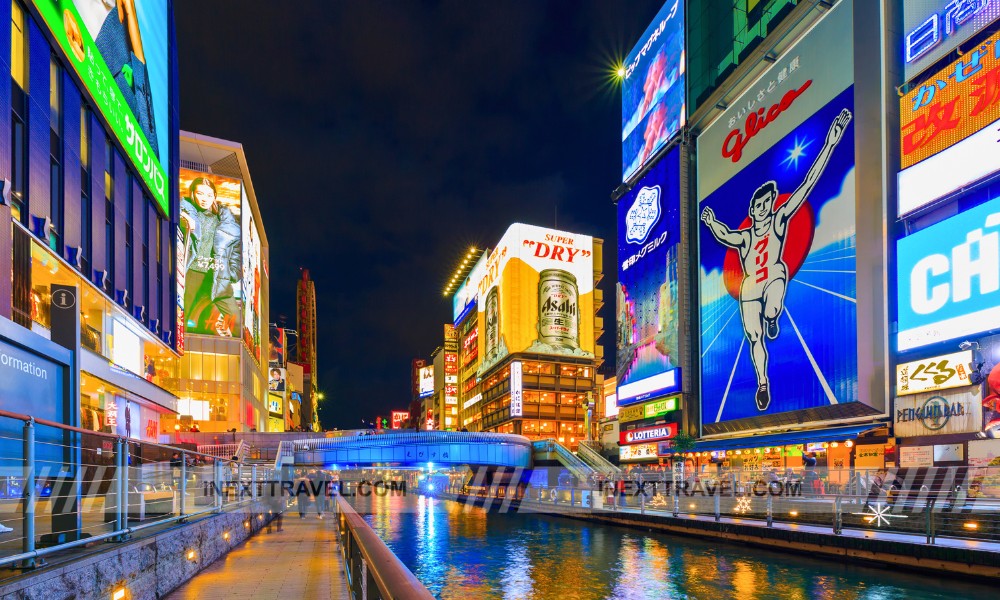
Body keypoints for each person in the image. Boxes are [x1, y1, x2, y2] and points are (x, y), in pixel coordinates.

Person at [701, 109, 852, 411]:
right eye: (759, 204)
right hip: (749, 289)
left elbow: (807, 184)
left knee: (777, 272)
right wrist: (709, 222)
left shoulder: (779, 220)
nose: (763, 207)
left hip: (772, 277)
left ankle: (773, 316)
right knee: (754, 339)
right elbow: (724, 234)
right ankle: (762, 383)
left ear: (771, 205)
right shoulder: (744, 236)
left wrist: (831, 144)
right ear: (753, 207)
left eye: (767, 203)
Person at [179, 177, 241, 337]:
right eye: (200, 193)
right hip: (193, 273)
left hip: (218, 276)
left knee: (238, 322)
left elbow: (235, 250)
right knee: (182, 317)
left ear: (214, 196)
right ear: (193, 194)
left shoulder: (225, 220)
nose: (204, 198)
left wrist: (233, 273)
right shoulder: (186, 214)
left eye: (209, 195)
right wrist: (186, 224)